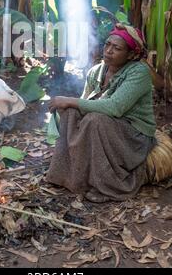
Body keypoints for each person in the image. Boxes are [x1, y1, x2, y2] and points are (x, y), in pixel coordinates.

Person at [46, 24, 156, 203]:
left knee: (94, 119)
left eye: (117, 48)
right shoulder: (96, 71)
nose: (109, 51)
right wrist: (67, 108)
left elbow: (115, 108)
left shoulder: (139, 72)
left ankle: (109, 186)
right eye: (107, 45)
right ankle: (68, 175)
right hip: (106, 128)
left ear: (131, 55)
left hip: (134, 136)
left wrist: (70, 100)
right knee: (70, 112)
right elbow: (85, 103)